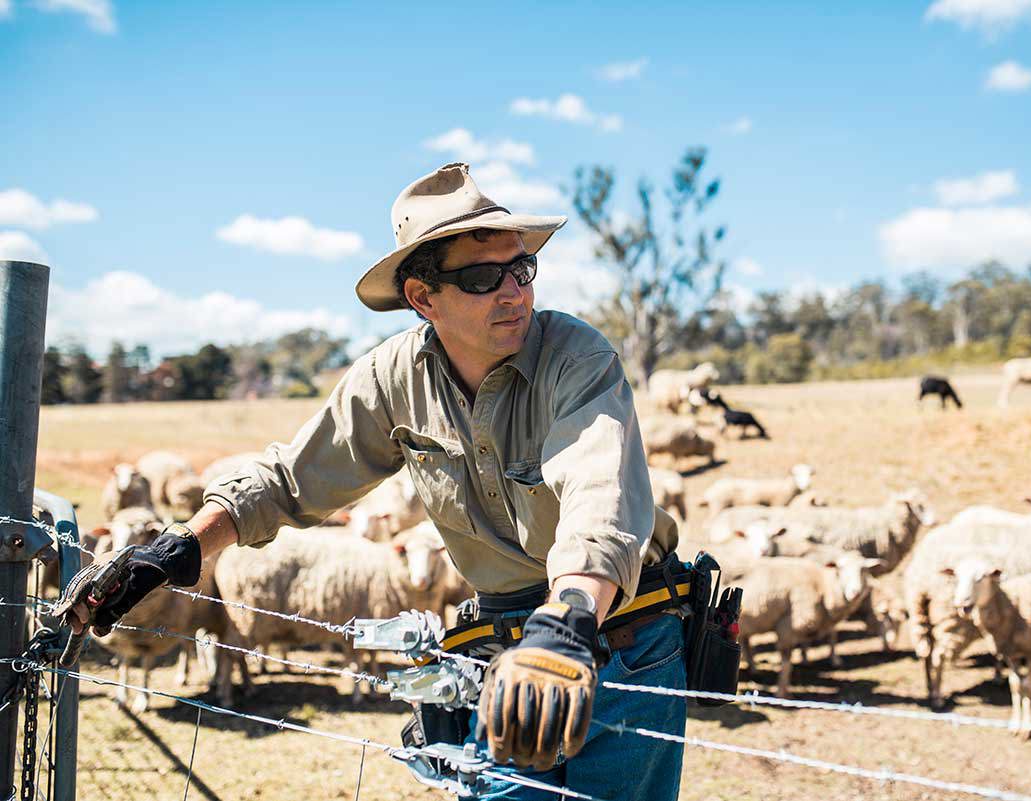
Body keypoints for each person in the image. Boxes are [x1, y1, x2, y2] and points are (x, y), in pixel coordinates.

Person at [62, 162, 688, 800]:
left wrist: (567, 618)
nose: (513, 292)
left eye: (521, 269)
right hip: (504, 645)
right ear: (422, 298)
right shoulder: (393, 379)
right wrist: (176, 550)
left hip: (616, 632)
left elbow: (599, 499)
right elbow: (289, 478)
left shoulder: (577, 358)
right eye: (481, 277)